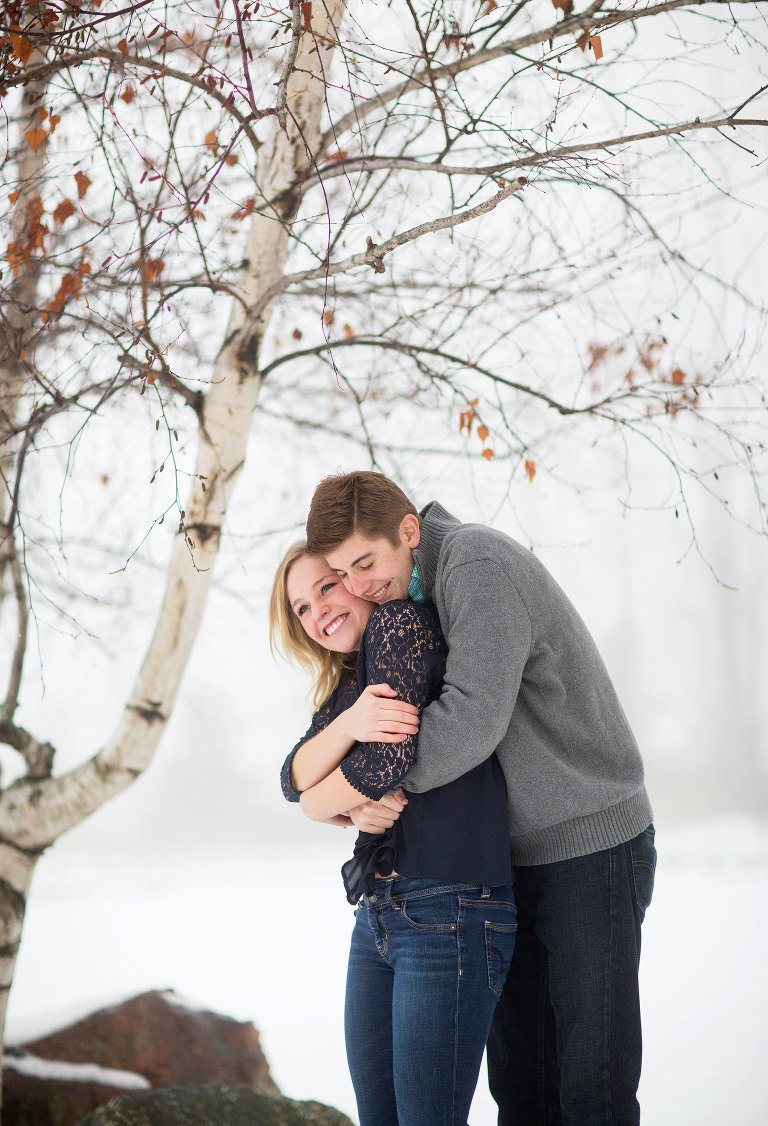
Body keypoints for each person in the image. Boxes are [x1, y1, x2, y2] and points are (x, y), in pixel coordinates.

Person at [305, 471, 657, 1126]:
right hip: (506, 866)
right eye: (341, 572)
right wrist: (343, 793)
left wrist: (372, 786)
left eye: (365, 562)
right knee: (523, 1091)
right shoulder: (409, 597)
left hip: (590, 844)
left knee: (592, 1092)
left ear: (408, 531)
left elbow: (471, 719)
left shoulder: (474, 561)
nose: (357, 586)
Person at [270, 541, 517, 1126]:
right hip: (381, 912)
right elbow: (292, 774)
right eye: (301, 608)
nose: (318, 613)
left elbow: (383, 765)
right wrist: (349, 733)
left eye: (325, 588)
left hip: (450, 904)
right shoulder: (355, 678)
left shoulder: (398, 625)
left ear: (356, 578)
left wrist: (321, 805)